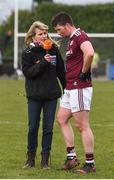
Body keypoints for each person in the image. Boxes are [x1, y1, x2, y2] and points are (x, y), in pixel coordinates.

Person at [51, 12, 96, 174]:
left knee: (82, 125)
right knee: (62, 118)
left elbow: (89, 52)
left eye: (59, 29)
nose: (58, 33)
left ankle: (90, 163)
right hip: (70, 88)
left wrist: (84, 72)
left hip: (79, 86)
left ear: (67, 25)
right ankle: (72, 158)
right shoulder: (71, 39)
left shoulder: (79, 36)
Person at [21, 21, 66, 169]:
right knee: (33, 127)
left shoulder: (53, 49)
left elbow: (61, 71)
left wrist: (67, 89)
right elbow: (28, 73)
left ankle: (45, 160)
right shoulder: (27, 52)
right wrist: (43, 63)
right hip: (34, 95)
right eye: (40, 34)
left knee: (48, 128)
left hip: (51, 95)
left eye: (45, 33)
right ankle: (30, 159)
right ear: (33, 36)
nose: (43, 36)